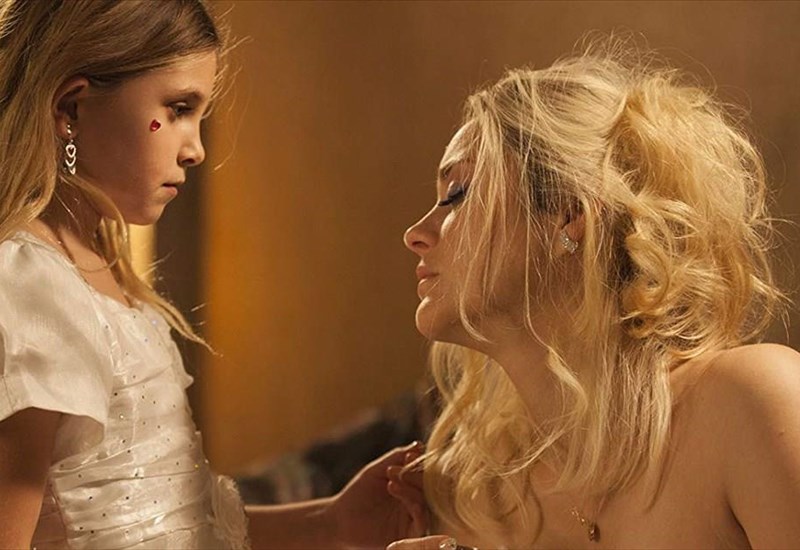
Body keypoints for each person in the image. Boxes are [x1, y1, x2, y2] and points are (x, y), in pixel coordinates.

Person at [0, 1, 424, 548]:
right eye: (178, 109)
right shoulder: (34, 286)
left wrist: (331, 523)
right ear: (71, 109)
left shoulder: (105, 280)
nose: (196, 149)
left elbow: (176, 525)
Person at [389, 38, 800, 549]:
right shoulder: (475, 498)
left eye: (457, 194)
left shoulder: (751, 404)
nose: (415, 233)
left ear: (569, 215)